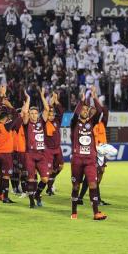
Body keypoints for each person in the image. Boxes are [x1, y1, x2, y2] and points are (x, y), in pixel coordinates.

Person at [70, 86, 107, 220]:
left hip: (90, 159)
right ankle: (74, 211)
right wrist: (81, 101)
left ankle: (96, 213)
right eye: (83, 109)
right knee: (76, 186)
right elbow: (75, 114)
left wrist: (94, 96)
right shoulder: (74, 123)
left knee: (92, 184)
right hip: (77, 160)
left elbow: (100, 110)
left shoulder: (92, 123)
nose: (85, 111)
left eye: (86, 109)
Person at [22, 88, 50, 208]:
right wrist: (28, 99)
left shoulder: (41, 122)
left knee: (45, 179)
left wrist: (42, 96)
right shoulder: (27, 124)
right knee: (31, 179)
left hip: (41, 154)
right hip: (30, 154)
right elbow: (24, 113)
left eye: (35, 113)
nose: (33, 115)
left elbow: (47, 109)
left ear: (37, 114)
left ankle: (37, 194)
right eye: (31, 113)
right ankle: (32, 202)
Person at [44, 92, 64, 196]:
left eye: (52, 115)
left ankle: (50, 184)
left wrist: (56, 101)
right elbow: (45, 111)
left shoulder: (57, 121)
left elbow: (61, 112)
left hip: (57, 149)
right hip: (48, 149)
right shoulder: (44, 122)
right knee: (50, 169)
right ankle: (49, 188)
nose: (51, 116)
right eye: (49, 115)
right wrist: (50, 104)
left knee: (60, 167)